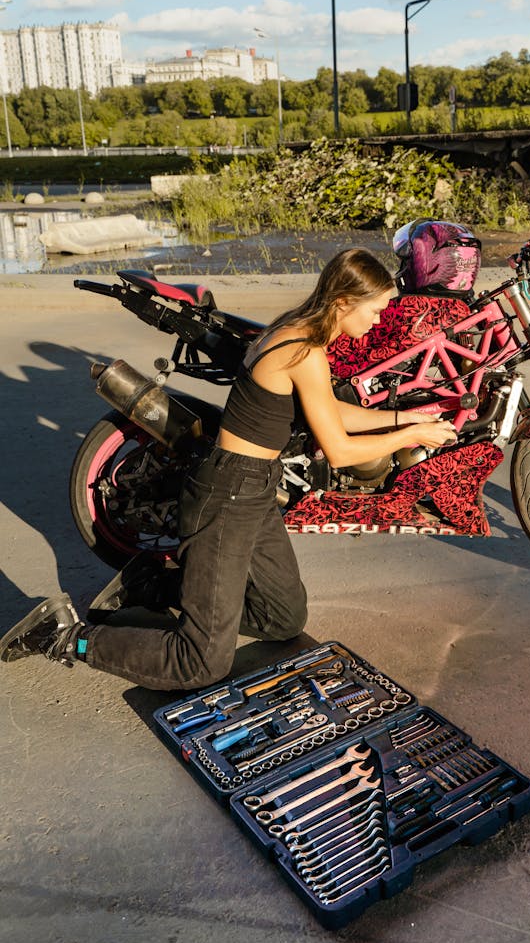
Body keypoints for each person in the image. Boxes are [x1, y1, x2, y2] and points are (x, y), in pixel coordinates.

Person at [0, 249, 456, 690]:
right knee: (200, 662)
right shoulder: (304, 352)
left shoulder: (297, 333)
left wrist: (405, 419)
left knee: (283, 618)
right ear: (343, 303)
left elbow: (331, 413)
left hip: (255, 490)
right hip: (227, 494)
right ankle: (63, 637)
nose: (379, 319)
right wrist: (411, 439)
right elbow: (337, 449)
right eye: (375, 310)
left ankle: (149, 584)